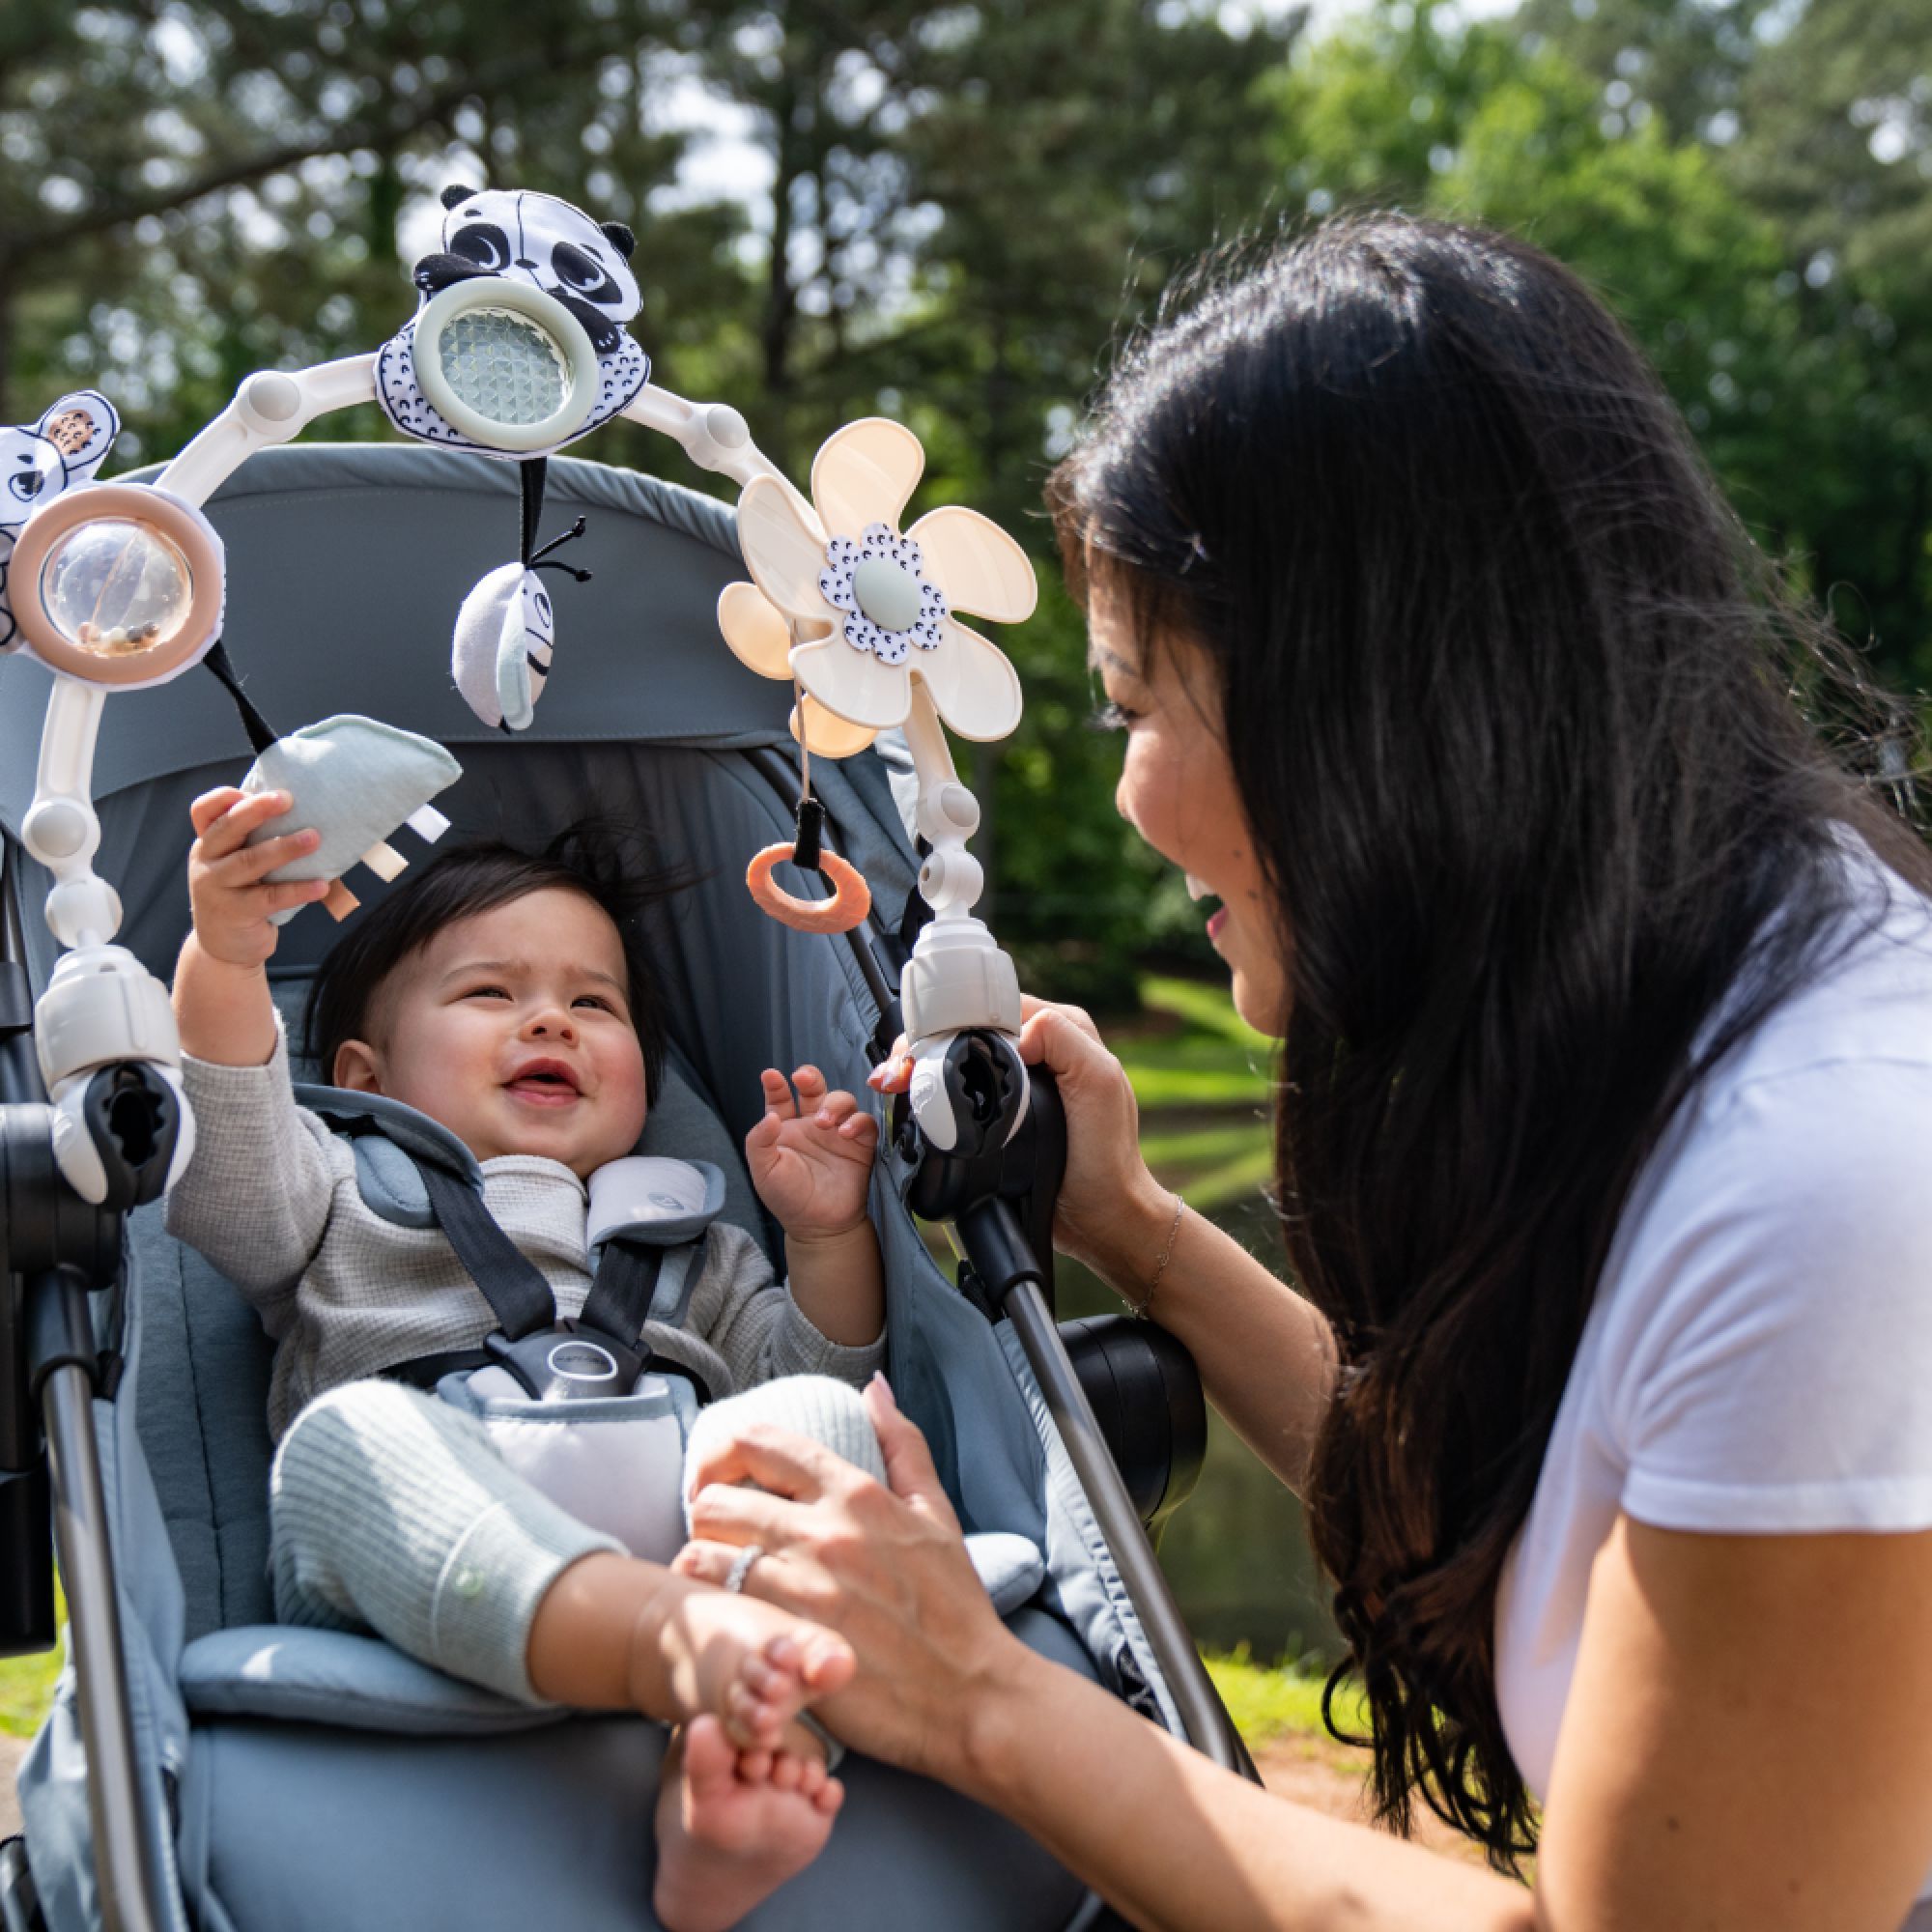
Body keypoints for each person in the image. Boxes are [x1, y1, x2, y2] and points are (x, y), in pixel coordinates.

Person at [671, 213, 1932, 1930]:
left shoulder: (1830, 1191)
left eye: (1135, 705)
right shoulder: (1721, 1000)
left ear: (1363, 710)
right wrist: (1133, 1228)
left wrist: (976, 1691)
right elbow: (1497, 1530)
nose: (1122, 797)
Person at [166, 811, 888, 1932]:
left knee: (815, 1423)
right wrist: (225, 955)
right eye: (490, 993)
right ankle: (662, 1643)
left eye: (593, 1003)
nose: (550, 1015)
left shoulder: (693, 1240)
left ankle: (743, 1766)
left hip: (695, 1556)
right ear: (368, 1071)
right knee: (352, 1437)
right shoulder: (338, 1189)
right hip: (412, 1569)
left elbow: (821, 1369)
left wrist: (827, 1238)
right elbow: (226, 1165)